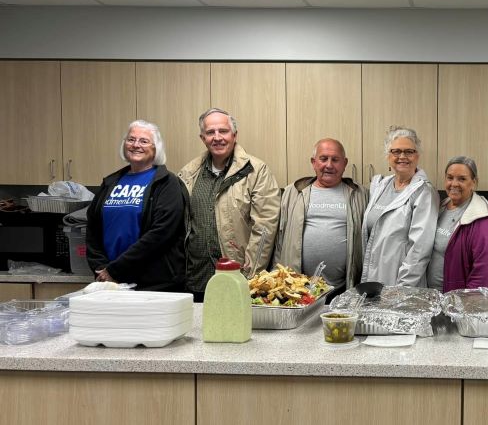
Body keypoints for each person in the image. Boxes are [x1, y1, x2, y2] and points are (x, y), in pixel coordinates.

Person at [178, 108, 280, 301]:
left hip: (238, 279)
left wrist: (250, 277)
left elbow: (264, 228)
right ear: (203, 138)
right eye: (210, 132)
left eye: (223, 131)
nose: (217, 137)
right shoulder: (188, 173)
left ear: (234, 135)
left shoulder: (256, 171)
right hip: (196, 280)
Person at [86, 120, 187, 291]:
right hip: (111, 282)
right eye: (131, 140)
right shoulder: (111, 182)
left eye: (144, 141)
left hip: (154, 284)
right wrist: (101, 268)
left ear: (156, 148)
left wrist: (115, 270)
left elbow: (160, 234)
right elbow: (93, 229)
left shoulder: (168, 183)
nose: (136, 145)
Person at [272, 138, 367, 296]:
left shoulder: (360, 194)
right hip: (298, 290)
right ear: (314, 162)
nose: (329, 165)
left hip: (345, 290)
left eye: (335, 160)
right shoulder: (293, 192)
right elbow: (279, 240)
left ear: (344, 163)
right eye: (323, 159)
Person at [361, 126, 439, 287]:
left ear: (417, 156)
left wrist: (403, 289)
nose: (402, 156)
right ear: (388, 156)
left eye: (409, 152)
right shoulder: (380, 185)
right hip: (372, 278)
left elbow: (419, 249)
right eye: (396, 151)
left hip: (400, 284)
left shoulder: (424, 192)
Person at [427, 156, 488, 292]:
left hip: (458, 301)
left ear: (473, 183)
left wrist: (466, 305)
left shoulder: (481, 220)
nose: (454, 184)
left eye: (462, 179)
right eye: (450, 178)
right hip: (434, 296)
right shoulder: (440, 208)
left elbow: (484, 275)